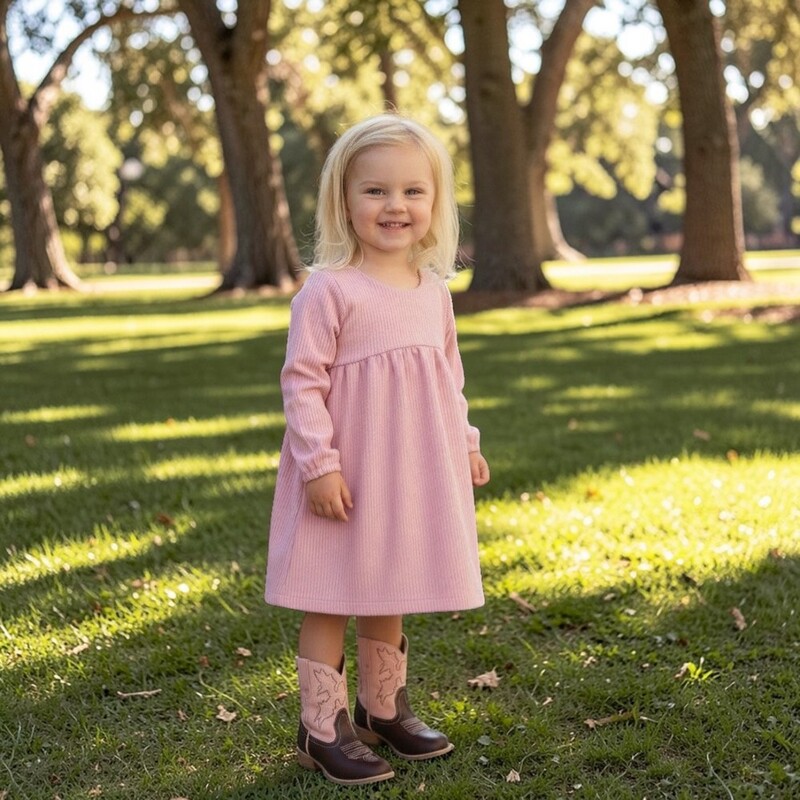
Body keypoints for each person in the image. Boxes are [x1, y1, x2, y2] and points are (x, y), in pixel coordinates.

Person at [264, 113, 490, 786]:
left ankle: (381, 708)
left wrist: (467, 444)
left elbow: (449, 380)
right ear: (345, 200)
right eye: (376, 191)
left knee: (389, 580)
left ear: (434, 204)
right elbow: (302, 381)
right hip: (346, 471)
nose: (395, 206)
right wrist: (320, 467)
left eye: (412, 192)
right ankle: (320, 724)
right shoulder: (329, 289)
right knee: (332, 591)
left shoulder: (434, 294)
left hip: (410, 469)